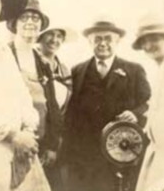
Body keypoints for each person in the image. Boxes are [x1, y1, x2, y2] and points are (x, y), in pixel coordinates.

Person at [63, 20, 151, 191]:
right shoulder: (77, 71)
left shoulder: (134, 70)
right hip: (84, 155)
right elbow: (70, 110)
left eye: (108, 39)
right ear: (90, 42)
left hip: (120, 152)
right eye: (97, 39)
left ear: (117, 41)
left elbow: (148, 103)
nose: (103, 43)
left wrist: (135, 114)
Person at [0, 0, 42, 191]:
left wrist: (28, 130)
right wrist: (12, 134)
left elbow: (21, 93)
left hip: (10, 152)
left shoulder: (2, 49)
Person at [133, 15, 164, 191]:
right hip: (158, 154)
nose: (148, 46)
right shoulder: (160, 71)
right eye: (144, 41)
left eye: (154, 39)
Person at [7, 0, 49, 142]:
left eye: (36, 18)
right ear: (15, 24)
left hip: (40, 138)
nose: (30, 22)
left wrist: (52, 145)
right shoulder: (4, 54)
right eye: (24, 18)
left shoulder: (43, 62)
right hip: (12, 137)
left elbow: (52, 104)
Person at [36, 26, 73, 191]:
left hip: (57, 141)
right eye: (50, 34)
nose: (54, 39)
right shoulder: (31, 62)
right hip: (37, 137)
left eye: (59, 36)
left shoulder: (64, 69)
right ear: (40, 36)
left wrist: (56, 143)